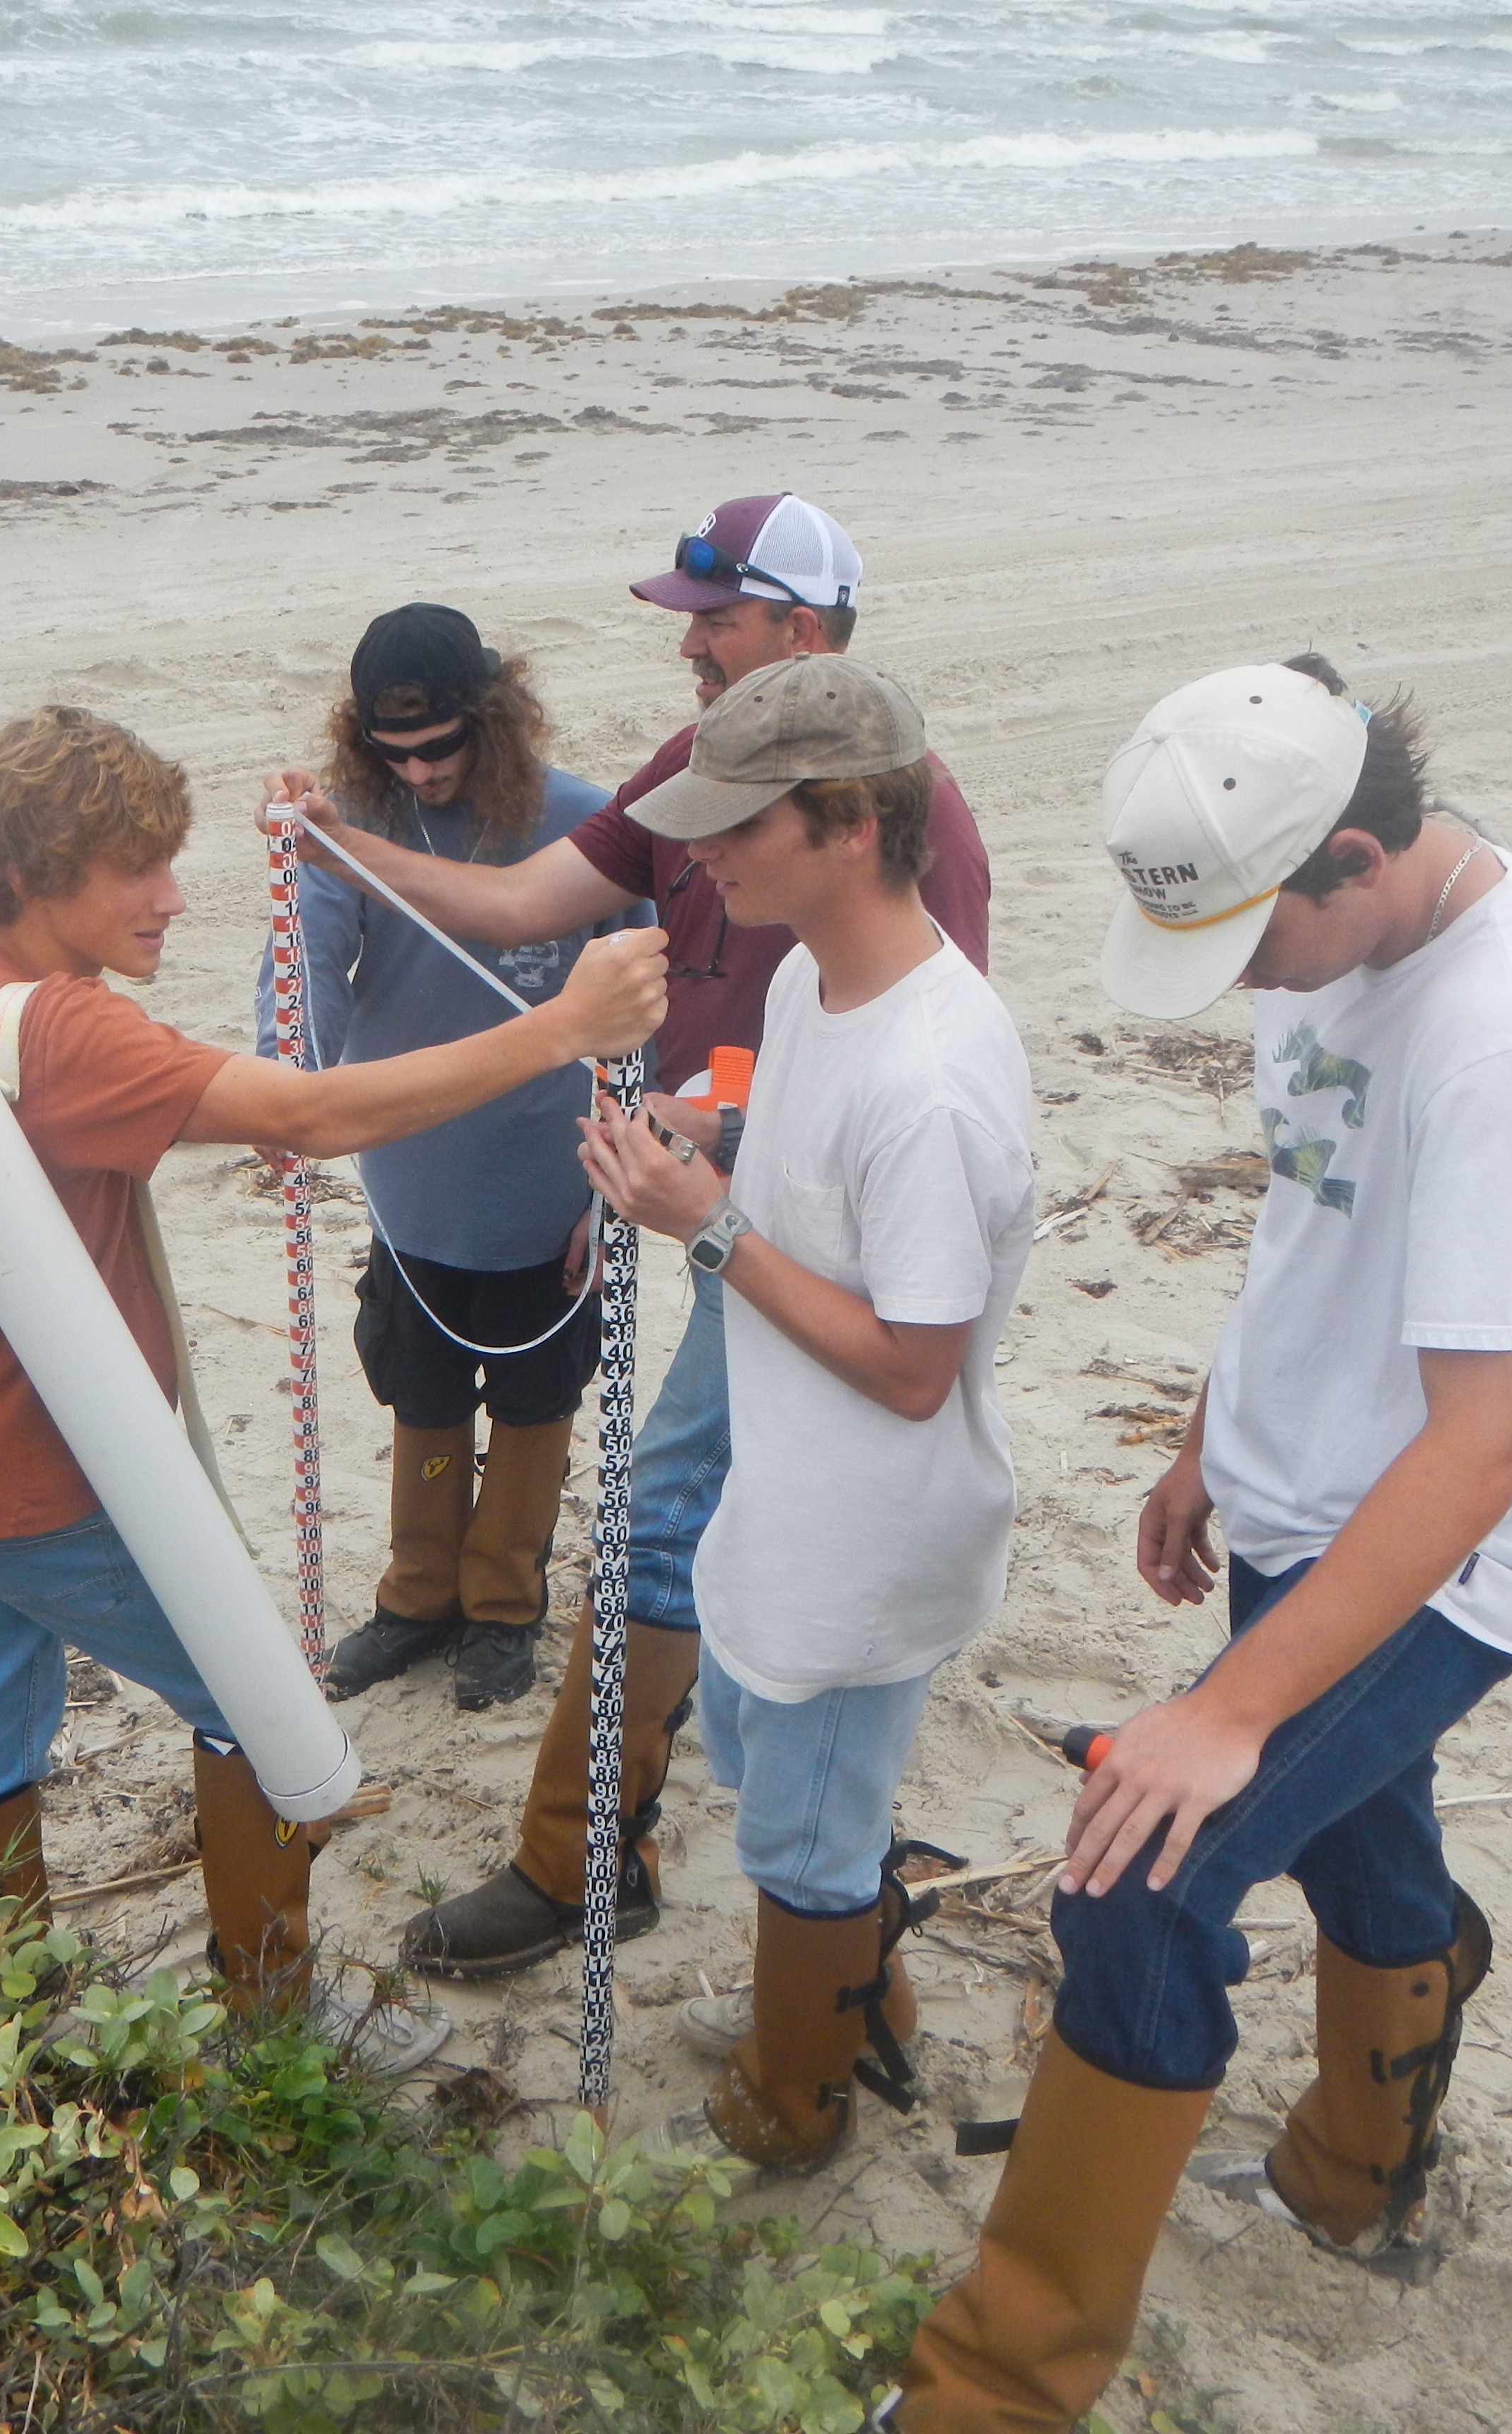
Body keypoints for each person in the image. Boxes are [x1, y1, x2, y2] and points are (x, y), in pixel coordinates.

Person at [887, 660, 1512, 2430]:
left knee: (1138, 1875)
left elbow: (1486, 1444)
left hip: (1447, 1550)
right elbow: (1317, 1219)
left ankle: (998, 2388)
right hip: (1306, 1486)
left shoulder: (1508, 1035)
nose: (1237, 983)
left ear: (1362, 859)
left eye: (1254, 944)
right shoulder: (1320, 938)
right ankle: (1354, 2183)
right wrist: (1209, 1441)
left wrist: (1227, 1707)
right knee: (1364, 1841)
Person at [0, 705, 666, 2073]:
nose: (170, 895)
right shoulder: (64, 1033)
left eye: (170, 858)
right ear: (34, 880)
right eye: (133, 869)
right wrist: (562, 1025)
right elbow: (309, 1116)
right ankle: (273, 2019)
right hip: (41, 1476)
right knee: (256, 1709)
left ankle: (1, 2026)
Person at [289, 494, 996, 1980]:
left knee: (668, 1525)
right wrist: (342, 850)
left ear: (798, 630)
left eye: (712, 617)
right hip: (730, 1214)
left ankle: (590, 1862)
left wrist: (702, 1185)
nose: (686, 644)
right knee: (672, 1526)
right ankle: (619, 1840)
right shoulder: (705, 774)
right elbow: (521, 905)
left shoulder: (914, 859)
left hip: (799, 1260)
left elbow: (893, 1125)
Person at [571, 656, 1034, 2171]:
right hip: (785, 1497)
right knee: (763, 1772)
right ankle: (855, 2005)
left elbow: (915, 1365)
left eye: (735, 827)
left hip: (866, 1535)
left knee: (803, 1843)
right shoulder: (805, 976)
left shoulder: (937, 1076)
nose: (699, 857)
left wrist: (703, 1224)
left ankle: (796, 2107)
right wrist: (714, 1132)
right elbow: (803, 1142)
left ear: (846, 824)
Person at [258, 604, 638, 1712]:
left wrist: (616, 1179)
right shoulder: (355, 829)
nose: (420, 774)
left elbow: (648, 1015)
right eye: (395, 752)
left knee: (533, 1401)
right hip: (415, 1188)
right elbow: (307, 969)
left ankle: (504, 1605)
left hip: (548, 1185)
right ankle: (419, 1598)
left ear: (499, 719)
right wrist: (282, 1085)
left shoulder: (585, 826)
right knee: (421, 1395)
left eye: (443, 748)